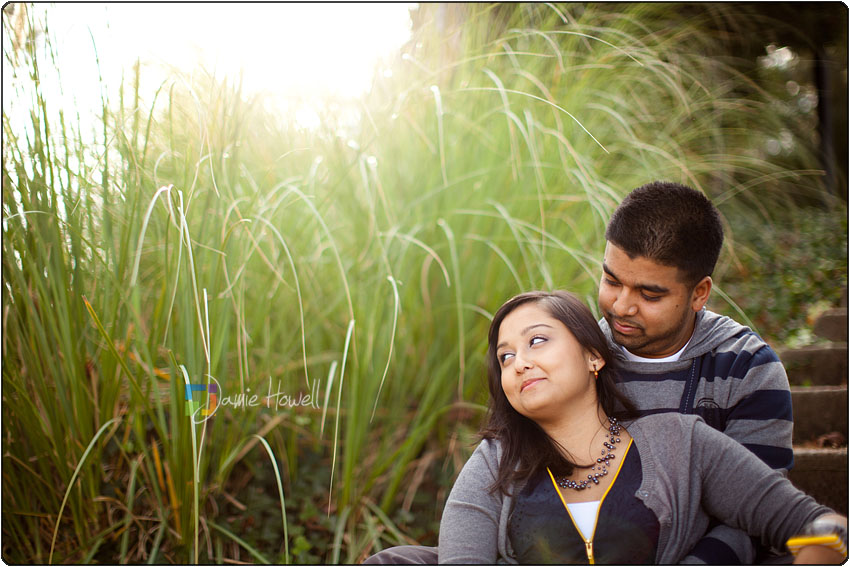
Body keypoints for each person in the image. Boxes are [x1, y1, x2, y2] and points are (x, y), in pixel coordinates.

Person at [363, 182, 793, 564]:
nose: (622, 306)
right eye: (611, 280)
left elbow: (754, 514)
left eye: (649, 293)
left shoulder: (746, 368)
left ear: (699, 292)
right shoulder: (576, 350)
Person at [437, 290, 845, 564]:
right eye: (504, 358)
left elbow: (820, 524)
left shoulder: (682, 442)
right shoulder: (493, 464)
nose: (519, 363)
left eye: (537, 341)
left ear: (593, 356)